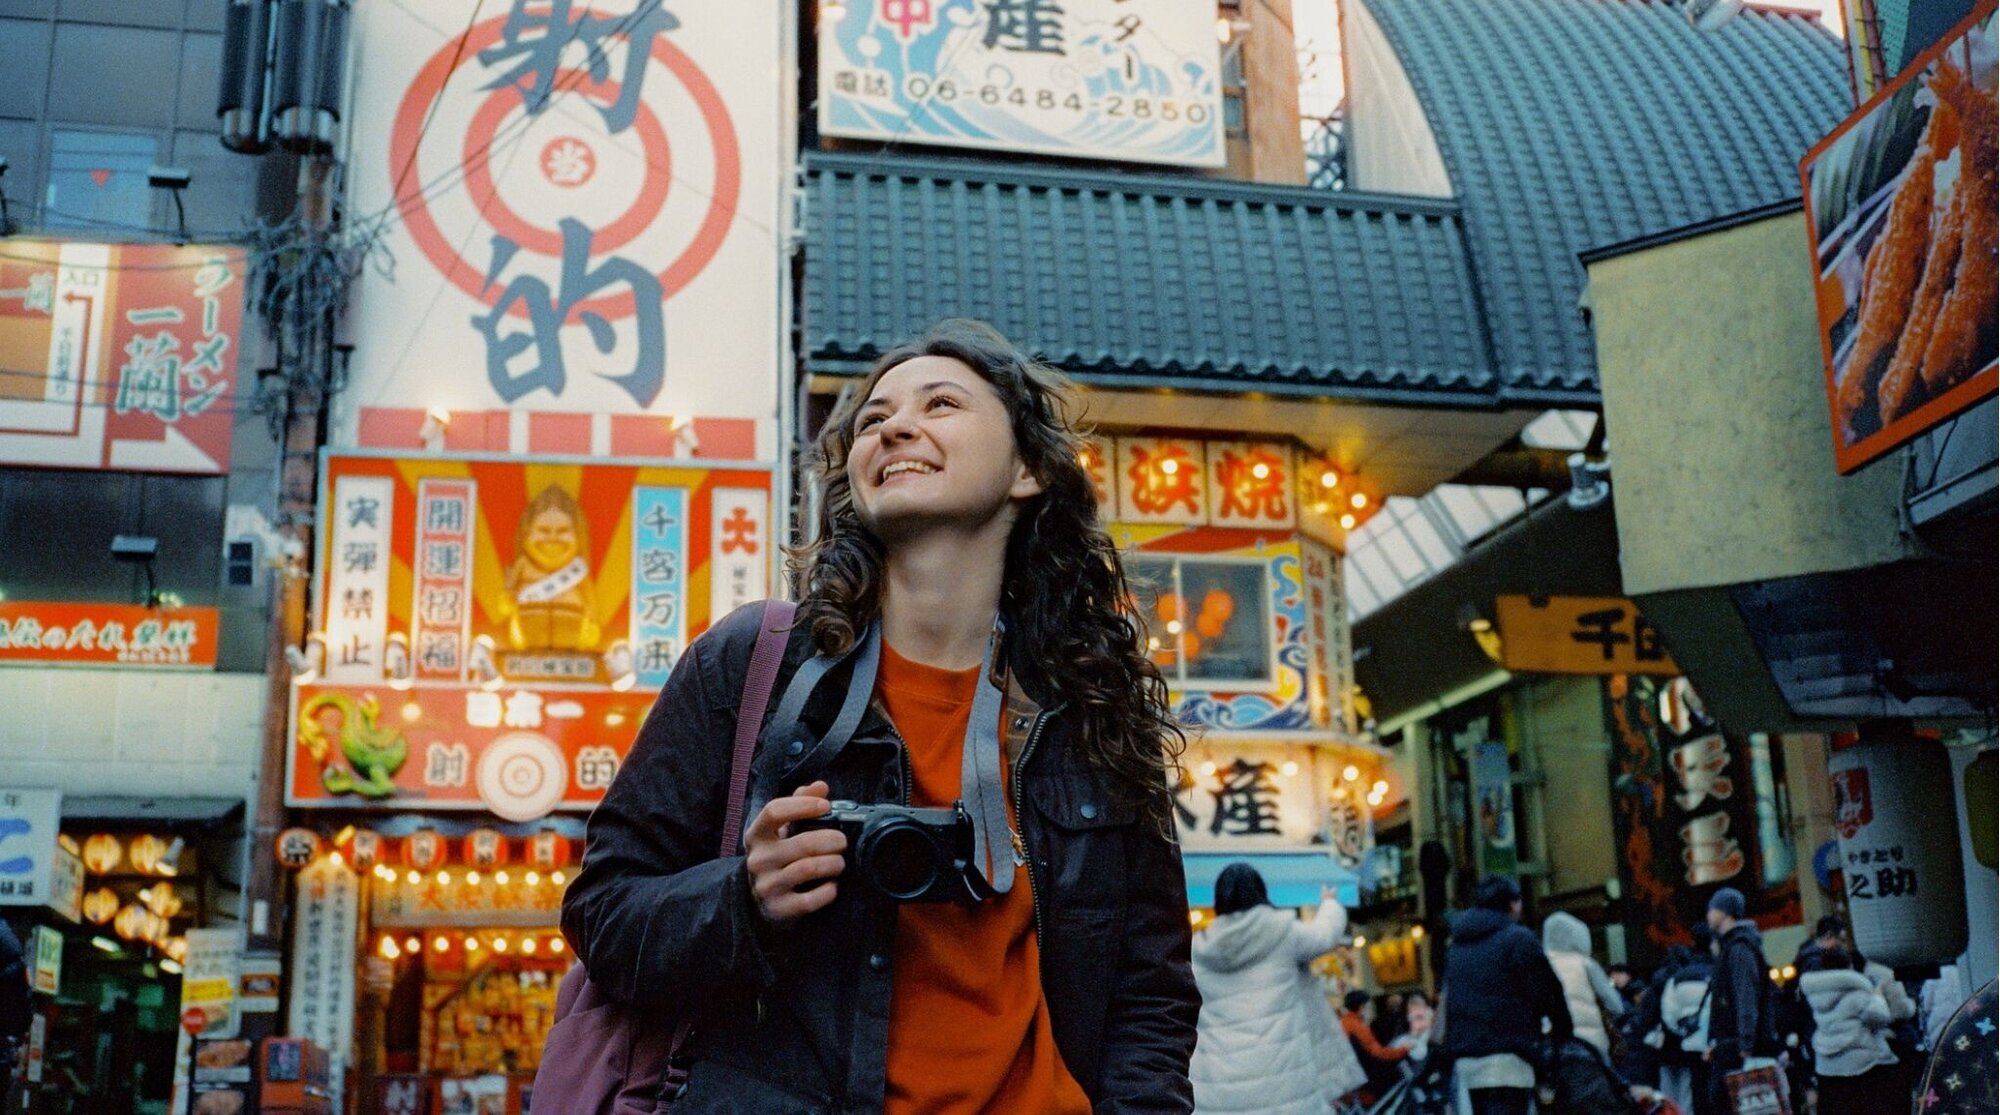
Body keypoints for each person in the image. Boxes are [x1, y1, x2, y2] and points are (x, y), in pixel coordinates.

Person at [563, 319, 1201, 1112]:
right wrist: (744, 896)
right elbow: (603, 912)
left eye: (941, 404)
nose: (895, 425)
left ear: (1029, 468)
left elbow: (1151, 994)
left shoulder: (1092, 710)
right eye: (873, 419)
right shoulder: (752, 666)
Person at [1188, 868, 1365, 1114]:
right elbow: (1325, 935)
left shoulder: (1200, 951)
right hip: (1288, 1082)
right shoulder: (1282, 932)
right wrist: (1330, 905)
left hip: (1221, 1090)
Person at [1439, 876, 1573, 1115]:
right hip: (1508, 1060)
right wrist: (1564, 1031)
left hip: (1465, 1063)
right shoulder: (1518, 939)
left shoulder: (1457, 946)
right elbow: (1548, 993)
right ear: (1512, 904)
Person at [1799, 946, 1904, 1115]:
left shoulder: (1815, 994)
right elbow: (1880, 1017)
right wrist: (1877, 996)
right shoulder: (1856, 992)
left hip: (1827, 1065)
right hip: (1862, 1063)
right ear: (1849, 965)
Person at [1704, 887, 1779, 1115]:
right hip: (1734, 1045)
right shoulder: (1737, 946)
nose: (1708, 913)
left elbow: (1746, 998)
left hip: (1739, 1048)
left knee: (1729, 1105)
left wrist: (1745, 1044)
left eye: (1712, 908)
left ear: (1726, 912)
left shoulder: (1738, 948)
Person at [1542, 911, 1626, 1057]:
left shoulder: (1541, 965)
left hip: (1553, 1044)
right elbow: (1615, 1005)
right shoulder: (1585, 964)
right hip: (1591, 1045)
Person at [1656, 930, 1715, 1115]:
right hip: (1716, 1043)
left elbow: (1668, 1014)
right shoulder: (1718, 970)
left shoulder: (1678, 977)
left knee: (1696, 1090)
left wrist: (1683, 1031)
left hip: (1690, 1043)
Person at [1340, 989, 1411, 1101]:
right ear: (1362, 1007)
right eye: (1370, 1007)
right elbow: (1379, 1054)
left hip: (1351, 1074)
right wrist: (1404, 1049)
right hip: (1369, 1075)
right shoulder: (1358, 1027)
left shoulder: (1343, 1023)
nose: (1372, 1010)